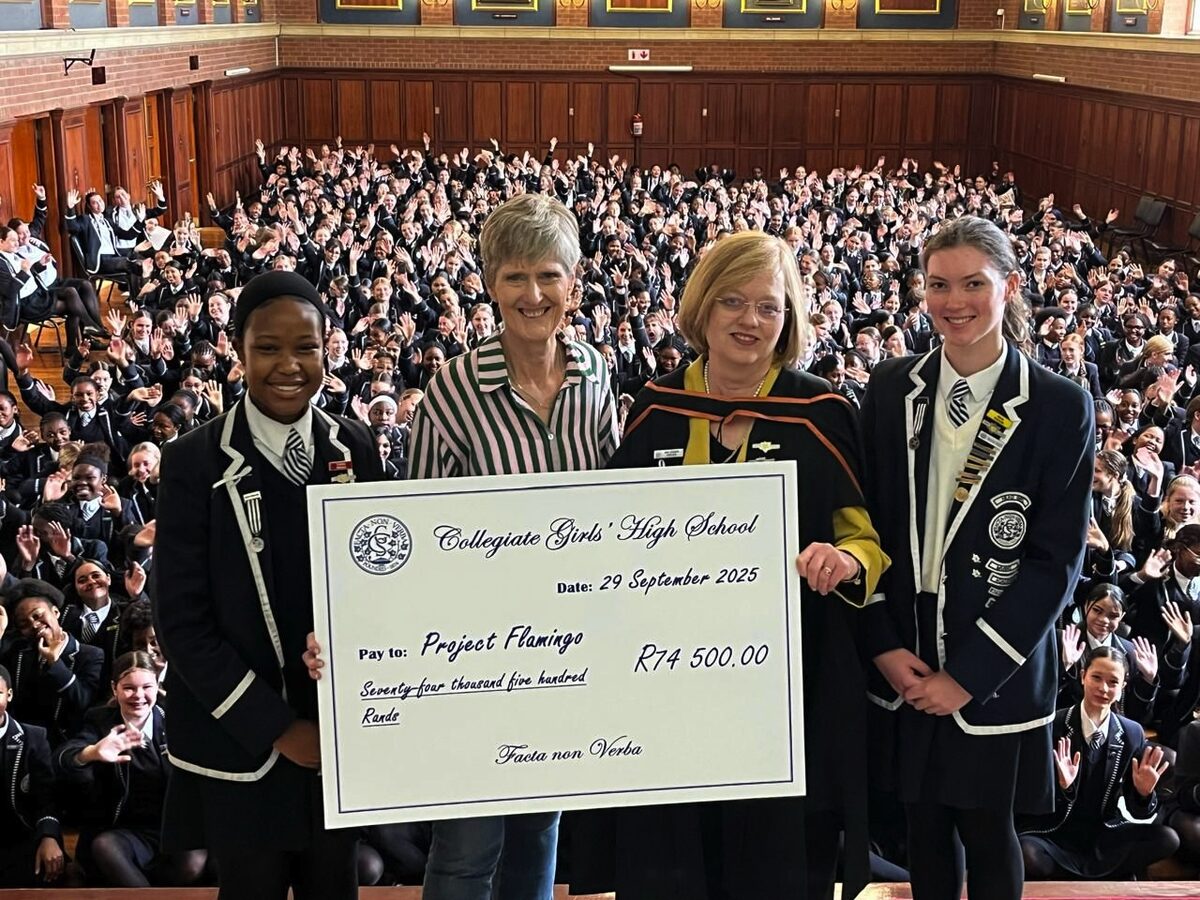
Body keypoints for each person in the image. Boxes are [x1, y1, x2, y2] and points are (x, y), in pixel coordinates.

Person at [307, 192, 617, 900]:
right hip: (478, 650)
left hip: (569, 644)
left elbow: (611, 503)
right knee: (469, 842)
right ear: (488, 282)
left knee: (540, 828)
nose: (532, 294)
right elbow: (416, 531)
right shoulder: (453, 388)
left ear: (574, 282)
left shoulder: (596, 373)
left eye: (548, 275)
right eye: (514, 276)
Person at [570, 230, 888, 900]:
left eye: (769, 307)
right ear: (703, 311)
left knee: (772, 864)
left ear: (789, 319)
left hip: (787, 688)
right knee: (670, 860)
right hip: (665, 689)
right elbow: (606, 543)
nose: (750, 320)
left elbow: (865, 541)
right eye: (733, 303)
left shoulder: (822, 413)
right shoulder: (655, 408)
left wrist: (844, 562)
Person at [862, 216, 1094, 900]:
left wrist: (968, 675)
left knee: (989, 834)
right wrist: (881, 645)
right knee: (922, 826)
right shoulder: (889, 387)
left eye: (972, 284)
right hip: (906, 648)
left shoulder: (1058, 405)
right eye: (937, 284)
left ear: (1010, 287)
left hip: (993, 660)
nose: (952, 301)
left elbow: (1056, 561)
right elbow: (865, 527)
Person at [153, 270, 384, 900]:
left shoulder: (355, 445)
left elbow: (382, 583)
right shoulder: (193, 462)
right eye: (268, 348)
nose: (289, 365)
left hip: (337, 738)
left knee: (334, 889)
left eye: (306, 347)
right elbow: (182, 623)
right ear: (238, 348)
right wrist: (279, 727)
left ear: (328, 349)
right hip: (242, 743)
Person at [1018, 646, 1178, 879]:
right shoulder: (1054, 724)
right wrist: (1063, 786)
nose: (1103, 688)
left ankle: (1079, 875)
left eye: (1113, 682)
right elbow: (1029, 797)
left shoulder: (1131, 732)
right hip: (1054, 831)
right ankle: (1100, 875)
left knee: (1167, 839)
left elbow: (1138, 812)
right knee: (1027, 853)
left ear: (1123, 688)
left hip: (1103, 833)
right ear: (1083, 676)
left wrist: (1144, 793)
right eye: (1096, 678)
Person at [56, 651, 206, 887]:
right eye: (128, 688)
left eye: (147, 687)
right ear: (114, 688)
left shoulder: (176, 719)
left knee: (193, 863)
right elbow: (64, 758)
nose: (138, 696)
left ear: (157, 686)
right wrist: (93, 752)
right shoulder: (100, 720)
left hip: (173, 826)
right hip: (122, 830)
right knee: (105, 847)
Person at [0, 663, 65, 887]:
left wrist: (49, 836)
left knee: (43, 869)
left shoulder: (32, 737)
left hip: (20, 834)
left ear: (9, 695)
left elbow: (46, 797)